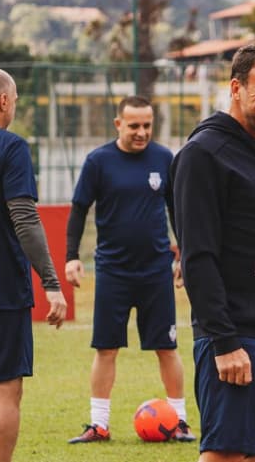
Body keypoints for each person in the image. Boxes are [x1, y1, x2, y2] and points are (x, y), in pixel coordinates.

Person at [171, 41, 255, 461]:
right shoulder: (202, 154)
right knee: (225, 454)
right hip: (236, 334)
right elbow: (197, 257)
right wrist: (224, 341)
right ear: (236, 88)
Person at [65, 95, 194, 443]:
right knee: (106, 348)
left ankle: (180, 421)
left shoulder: (164, 159)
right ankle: (99, 424)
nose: (141, 132)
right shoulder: (98, 161)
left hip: (156, 271)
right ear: (118, 124)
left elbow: (176, 211)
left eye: (147, 126)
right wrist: (72, 256)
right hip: (113, 272)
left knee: (167, 347)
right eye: (134, 125)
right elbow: (79, 209)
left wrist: (184, 255)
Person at [0, 66, 68, 462]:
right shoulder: (9, 146)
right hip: (0, 288)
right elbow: (25, 219)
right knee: (4, 390)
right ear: (4, 100)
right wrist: (51, 282)